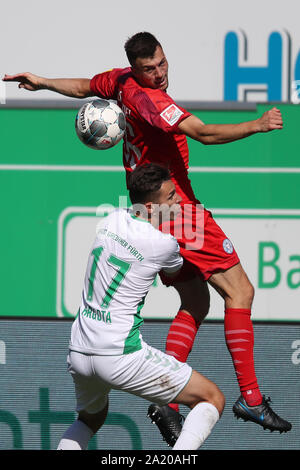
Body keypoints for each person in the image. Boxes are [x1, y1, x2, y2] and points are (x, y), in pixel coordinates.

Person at [3, 32, 292, 445]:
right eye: (148, 69)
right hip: (177, 208)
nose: (158, 73)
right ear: (136, 68)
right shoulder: (150, 101)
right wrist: (257, 124)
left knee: (196, 301)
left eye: (161, 63)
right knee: (241, 291)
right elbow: (205, 133)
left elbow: (86, 87)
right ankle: (250, 397)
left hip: (147, 210)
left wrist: (43, 81)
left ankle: (168, 403)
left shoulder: (120, 82)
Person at [56, 163, 225, 450]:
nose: (179, 200)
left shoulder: (110, 219)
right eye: (171, 196)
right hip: (120, 353)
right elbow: (177, 275)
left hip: (80, 350)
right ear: (150, 206)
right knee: (211, 398)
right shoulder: (164, 245)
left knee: (89, 420)